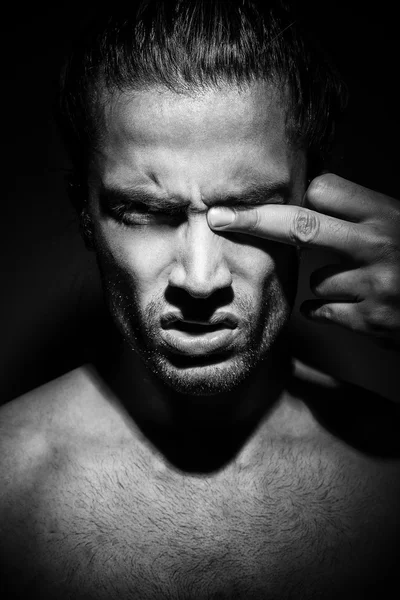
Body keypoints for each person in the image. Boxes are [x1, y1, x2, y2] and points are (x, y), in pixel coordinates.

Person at [1, 1, 399, 598]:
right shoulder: (7, 490)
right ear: (86, 216)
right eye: (147, 214)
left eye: (245, 215)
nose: (200, 277)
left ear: (309, 212)